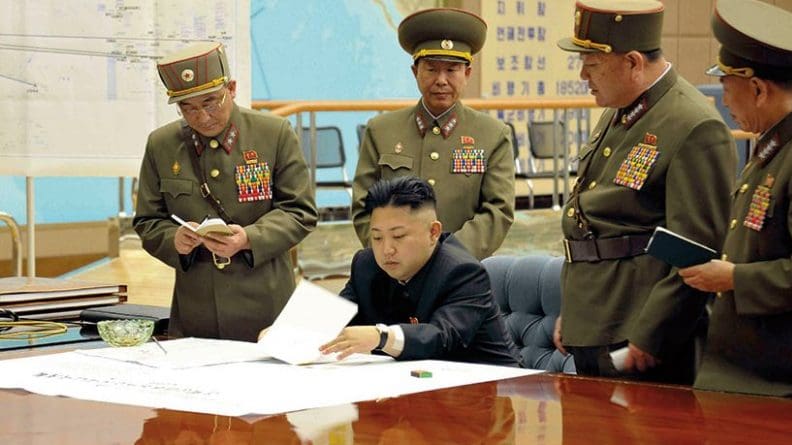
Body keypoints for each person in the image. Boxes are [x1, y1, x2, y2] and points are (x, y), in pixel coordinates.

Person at [554, 0, 737, 383]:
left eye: (592, 65)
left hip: (635, 334)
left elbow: (696, 248)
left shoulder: (691, 124)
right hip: (594, 319)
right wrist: (573, 313)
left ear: (634, 63)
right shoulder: (622, 107)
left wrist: (653, 334)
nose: (583, 76)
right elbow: (592, 225)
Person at [134, 42, 318, 342]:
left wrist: (248, 238)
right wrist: (174, 240)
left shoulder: (273, 134)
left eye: (211, 102)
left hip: (265, 303)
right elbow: (147, 221)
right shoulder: (162, 144)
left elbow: (300, 212)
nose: (202, 117)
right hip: (196, 310)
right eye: (188, 107)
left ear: (231, 89)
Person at [678, 0, 792, 397]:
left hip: (777, 380)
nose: (724, 103)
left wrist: (733, 278)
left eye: (727, 88)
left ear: (758, 88)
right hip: (741, 369)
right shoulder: (772, 145)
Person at [351, 8, 515, 260]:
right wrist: (391, 252)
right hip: (392, 270)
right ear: (415, 71)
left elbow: (498, 211)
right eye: (431, 69)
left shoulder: (492, 135)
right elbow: (363, 206)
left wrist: (447, 258)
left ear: (467, 74)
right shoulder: (381, 130)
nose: (441, 80)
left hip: (461, 272)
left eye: (452, 70)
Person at [321, 176, 519, 366]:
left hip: (496, 388)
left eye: (398, 236)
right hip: (411, 384)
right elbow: (332, 322)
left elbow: (441, 338)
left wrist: (381, 337)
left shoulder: (464, 273)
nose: (386, 250)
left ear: (433, 232)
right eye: (377, 238)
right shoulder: (366, 265)